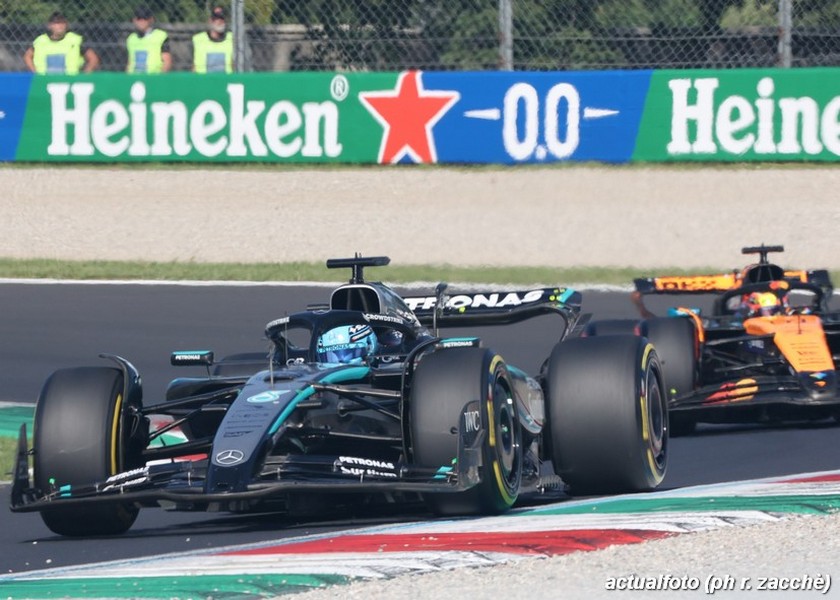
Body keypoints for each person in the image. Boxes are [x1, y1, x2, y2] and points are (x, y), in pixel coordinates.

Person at [23, 11, 99, 75]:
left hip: (69, 82)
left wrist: (83, 78)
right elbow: (27, 56)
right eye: (57, 23)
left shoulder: (75, 40)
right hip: (44, 82)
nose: (60, 26)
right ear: (50, 25)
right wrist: (35, 74)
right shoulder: (40, 41)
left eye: (63, 23)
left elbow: (93, 59)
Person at [126, 5, 172, 74]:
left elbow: (167, 61)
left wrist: (160, 78)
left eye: (145, 18)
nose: (142, 21)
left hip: (153, 77)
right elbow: (130, 63)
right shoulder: (131, 38)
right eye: (139, 18)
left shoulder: (160, 36)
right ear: (134, 20)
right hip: (134, 77)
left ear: (151, 20)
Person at [192, 5, 234, 73]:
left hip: (226, 79)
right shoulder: (198, 39)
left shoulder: (232, 39)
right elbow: (193, 67)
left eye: (222, 18)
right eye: (216, 19)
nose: (220, 21)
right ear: (210, 20)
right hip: (202, 79)